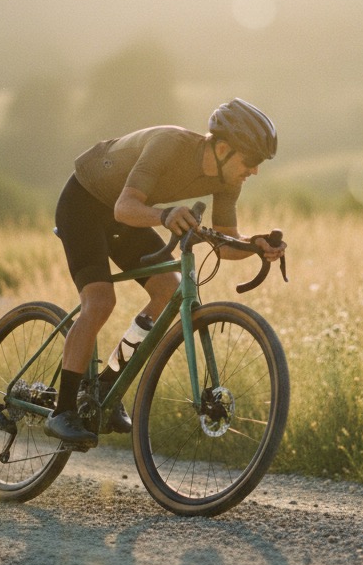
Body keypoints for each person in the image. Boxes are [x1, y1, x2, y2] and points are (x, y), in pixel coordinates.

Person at [49, 97, 286, 447]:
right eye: (250, 161)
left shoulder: (228, 181)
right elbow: (125, 206)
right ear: (222, 148)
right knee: (99, 300)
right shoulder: (169, 145)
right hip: (85, 202)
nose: (254, 171)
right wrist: (164, 216)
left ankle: (103, 385)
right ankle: (62, 409)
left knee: (167, 289)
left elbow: (225, 242)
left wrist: (256, 245)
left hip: (126, 216)